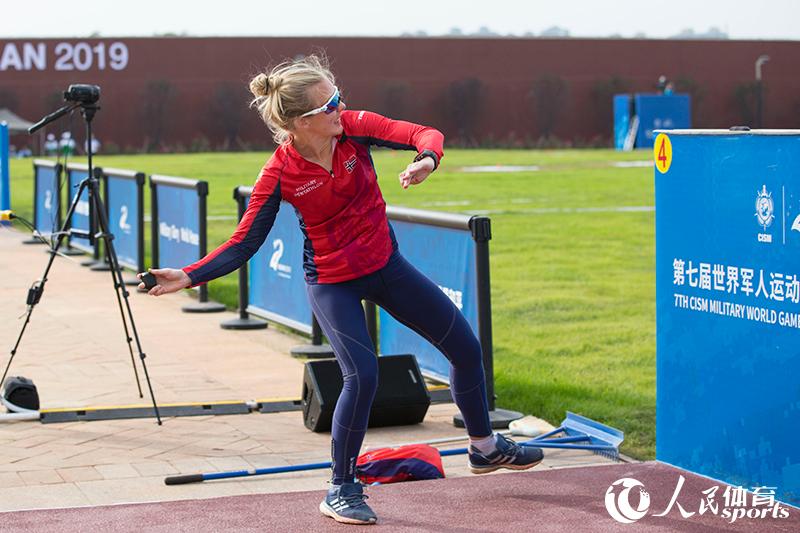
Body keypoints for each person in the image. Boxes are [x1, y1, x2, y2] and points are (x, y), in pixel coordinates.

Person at [138, 55, 543, 525]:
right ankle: (341, 488)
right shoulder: (279, 173)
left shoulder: (353, 127)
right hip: (332, 282)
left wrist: (427, 160)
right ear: (302, 122)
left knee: (467, 349)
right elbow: (244, 241)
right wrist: (189, 275)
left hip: (386, 266)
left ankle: (484, 447)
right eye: (330, 103)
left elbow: (422, 133)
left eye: (338, 97)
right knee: (363, 375)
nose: (341, 107)